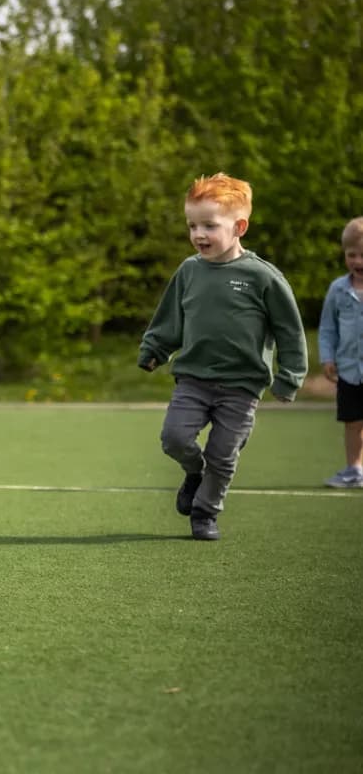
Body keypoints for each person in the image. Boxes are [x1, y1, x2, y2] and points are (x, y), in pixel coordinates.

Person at [138, 172, 308, 540]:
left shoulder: (262, 277)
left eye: (209, 226)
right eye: (192, 225)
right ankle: (194, 474)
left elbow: (289, 331)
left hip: (242, 387)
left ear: (239, 226)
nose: (199, 234)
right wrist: (155, 349)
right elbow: (170, 318)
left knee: (224, 455)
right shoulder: (189, 271)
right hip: (193, 379)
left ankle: (205, 512)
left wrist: (289, 376)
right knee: (174, 438)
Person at [318, 217, 363, 489]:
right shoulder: (338, 289)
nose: (358, 261)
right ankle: (354, 469)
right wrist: (328, 358)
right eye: (352, 255)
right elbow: (327, 327)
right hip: (349, 368)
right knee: (352, 421)